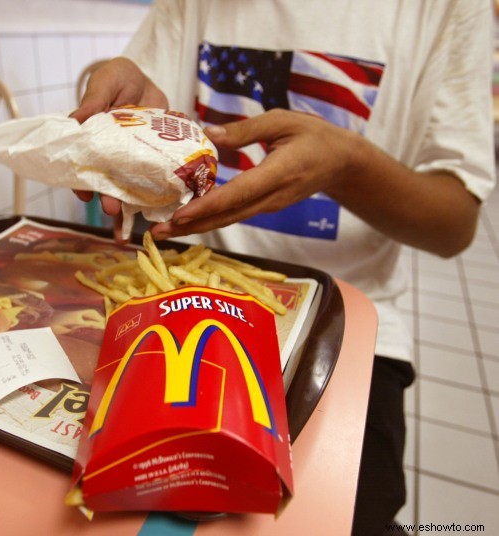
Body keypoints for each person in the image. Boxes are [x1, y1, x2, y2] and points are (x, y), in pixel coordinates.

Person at [71, 1, 496, 535]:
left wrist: (347, 165)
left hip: (353, 320)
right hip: (183, 293)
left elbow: (454, 224)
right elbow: (141, 89)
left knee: (352, 517)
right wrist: (109, 99)